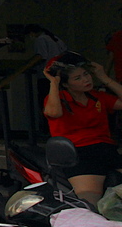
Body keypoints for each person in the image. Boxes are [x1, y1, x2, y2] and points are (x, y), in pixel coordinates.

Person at [43, 51, 122, 206]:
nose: (86, 80)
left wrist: (104, 77)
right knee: (90, 204)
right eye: (78, 78)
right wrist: (54, 83)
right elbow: (54, 112)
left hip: (106, 149)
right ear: (65, 84)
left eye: (86, 74)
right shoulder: (58, 99)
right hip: (79, 153)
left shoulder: (97, 96)